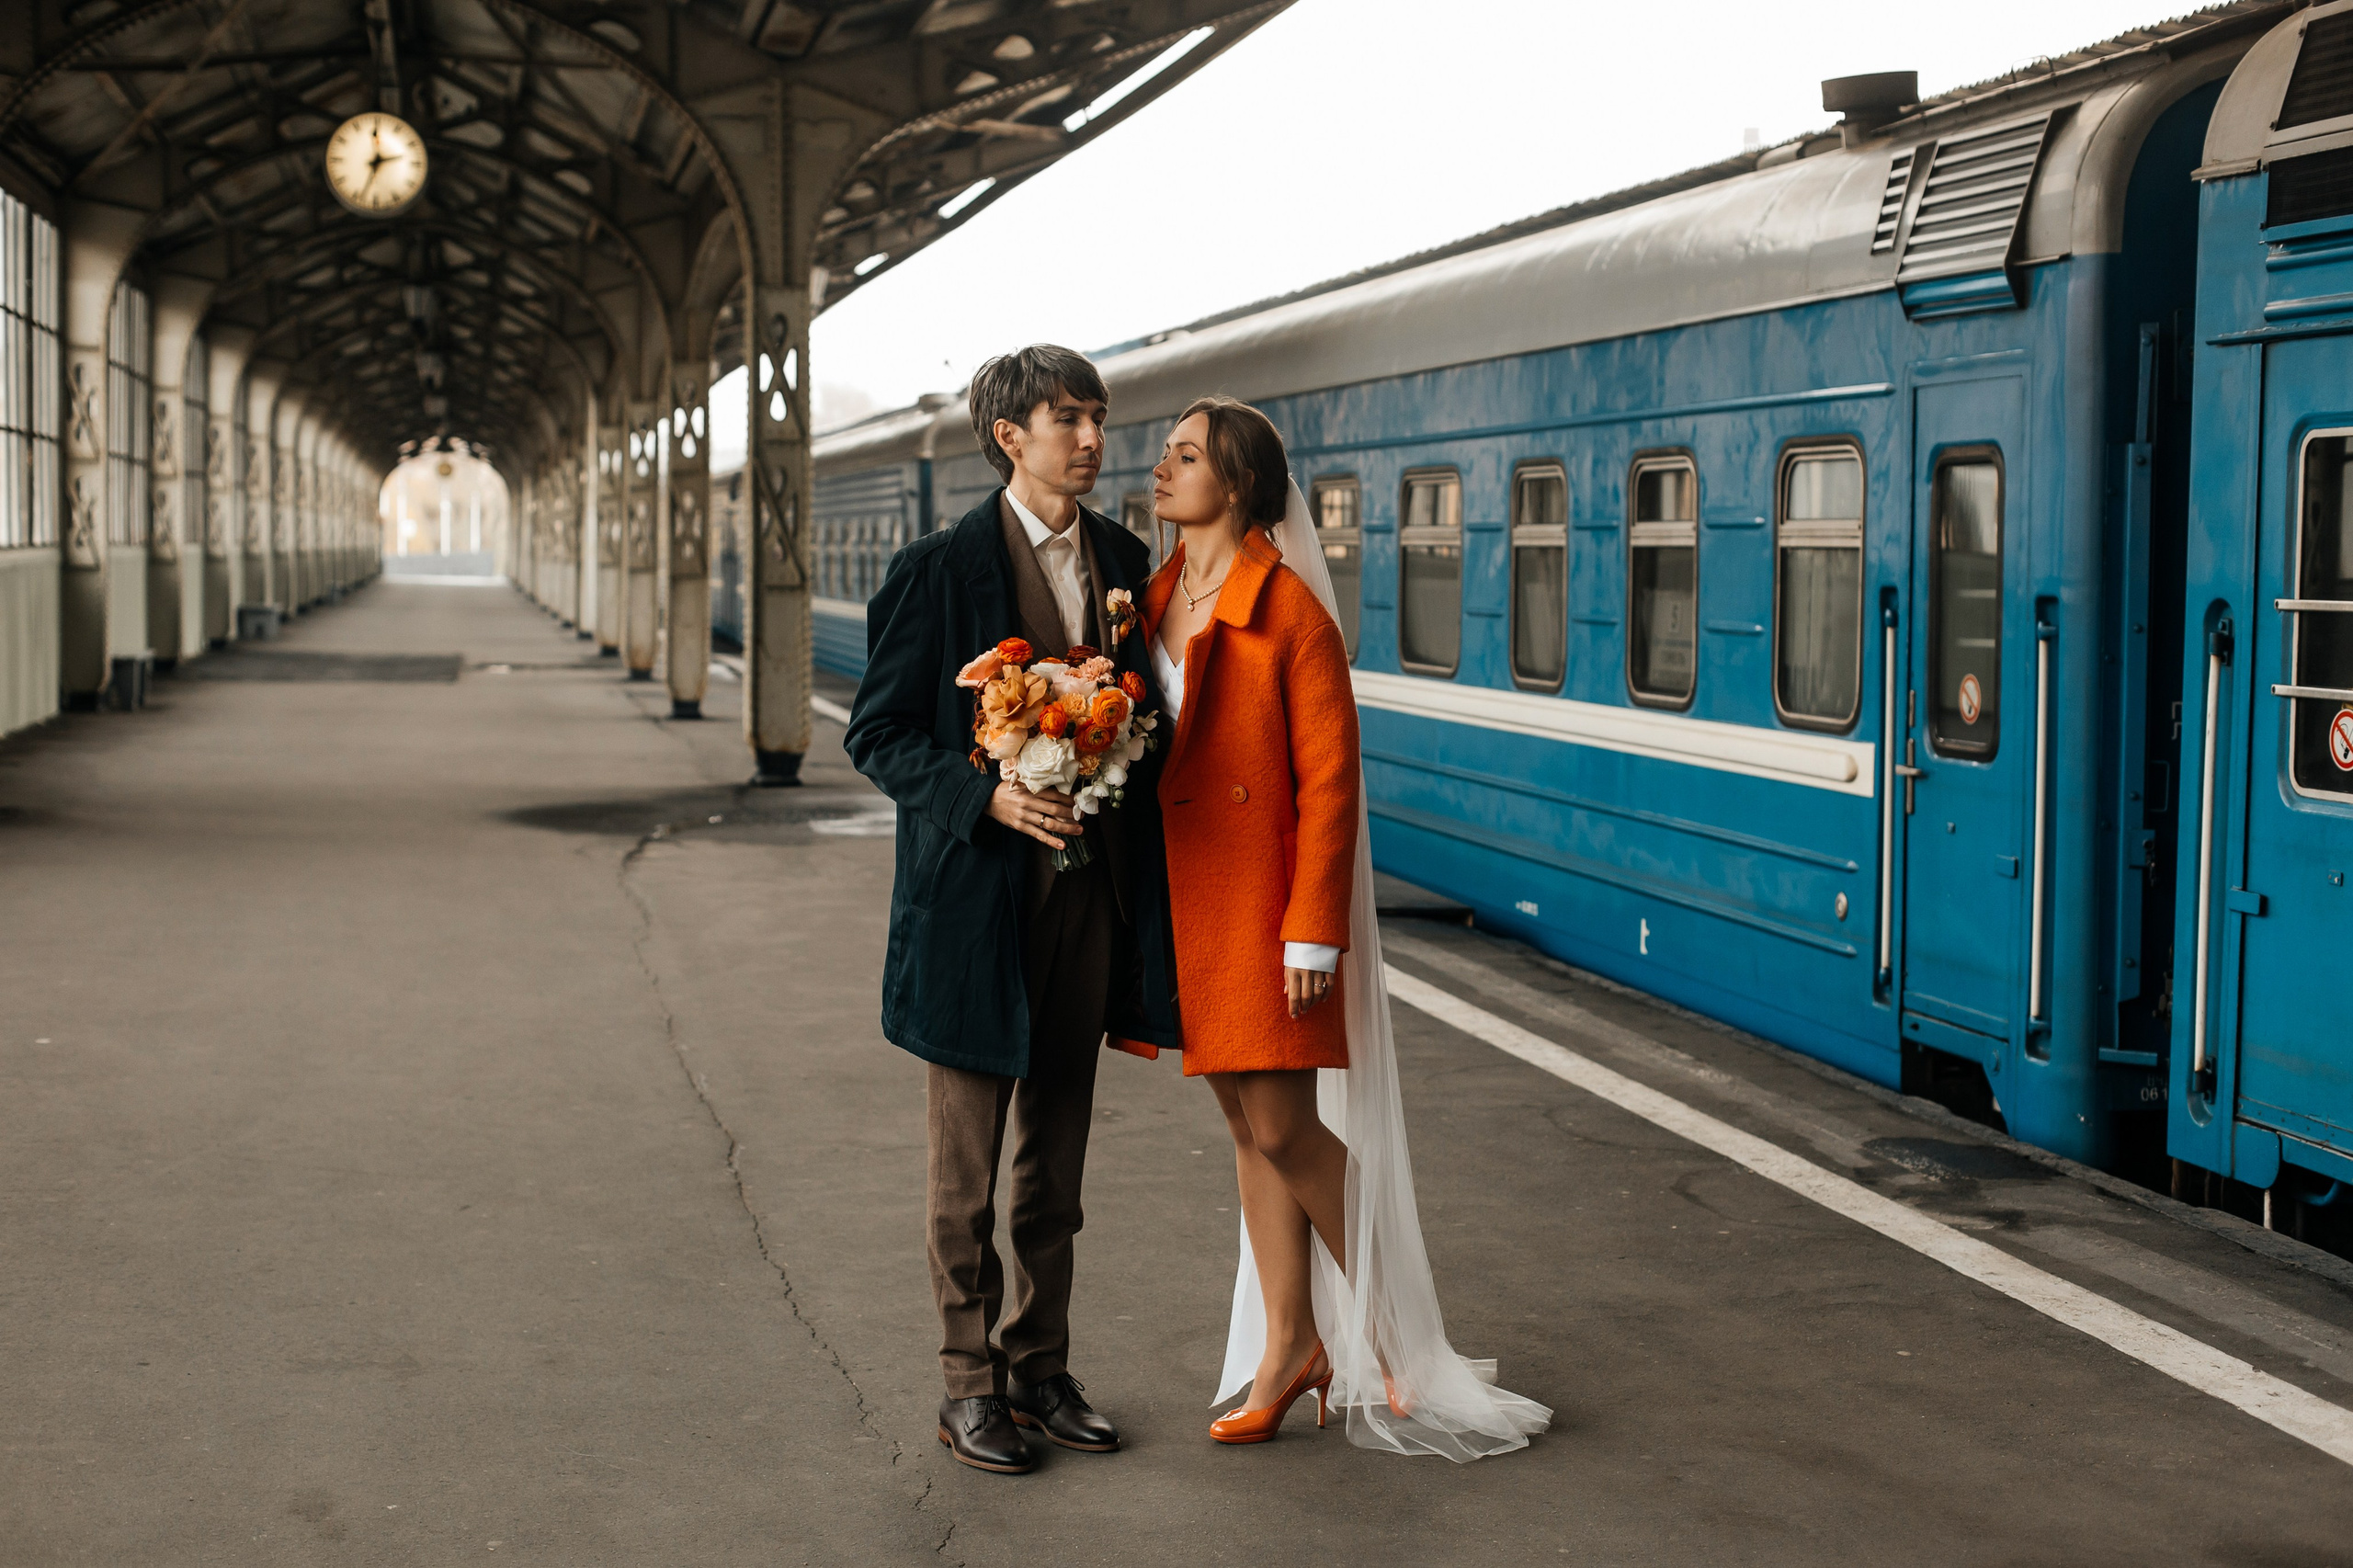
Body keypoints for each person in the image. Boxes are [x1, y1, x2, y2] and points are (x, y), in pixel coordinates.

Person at [1141, 395, 1551, 1460]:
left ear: (1237, 484)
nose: (1160, 468)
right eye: (1165, 453)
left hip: (1265, 906)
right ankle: (1292, 1346)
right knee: (1246, 1127)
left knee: (1284, 1128)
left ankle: (1398, 1334)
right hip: (1187, 896)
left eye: (1185, 455)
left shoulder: (1290, 612)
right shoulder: (1151, 596)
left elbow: (1331, 784)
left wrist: (1313, 931)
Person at [845, 346, 1178, 1475]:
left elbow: (1149, 718)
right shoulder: (940, 569)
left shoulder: (1125, 561)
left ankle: (1040, 1366)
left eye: (1098, 417)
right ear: (1009, 436)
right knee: (966, 1173)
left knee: (1055, 1165)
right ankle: (966, 1383)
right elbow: (878, 732)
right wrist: (983, 794)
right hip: (973, 910)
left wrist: (1119, 744)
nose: (1091, 438)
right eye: (1068, 417)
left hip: (1087, 903)